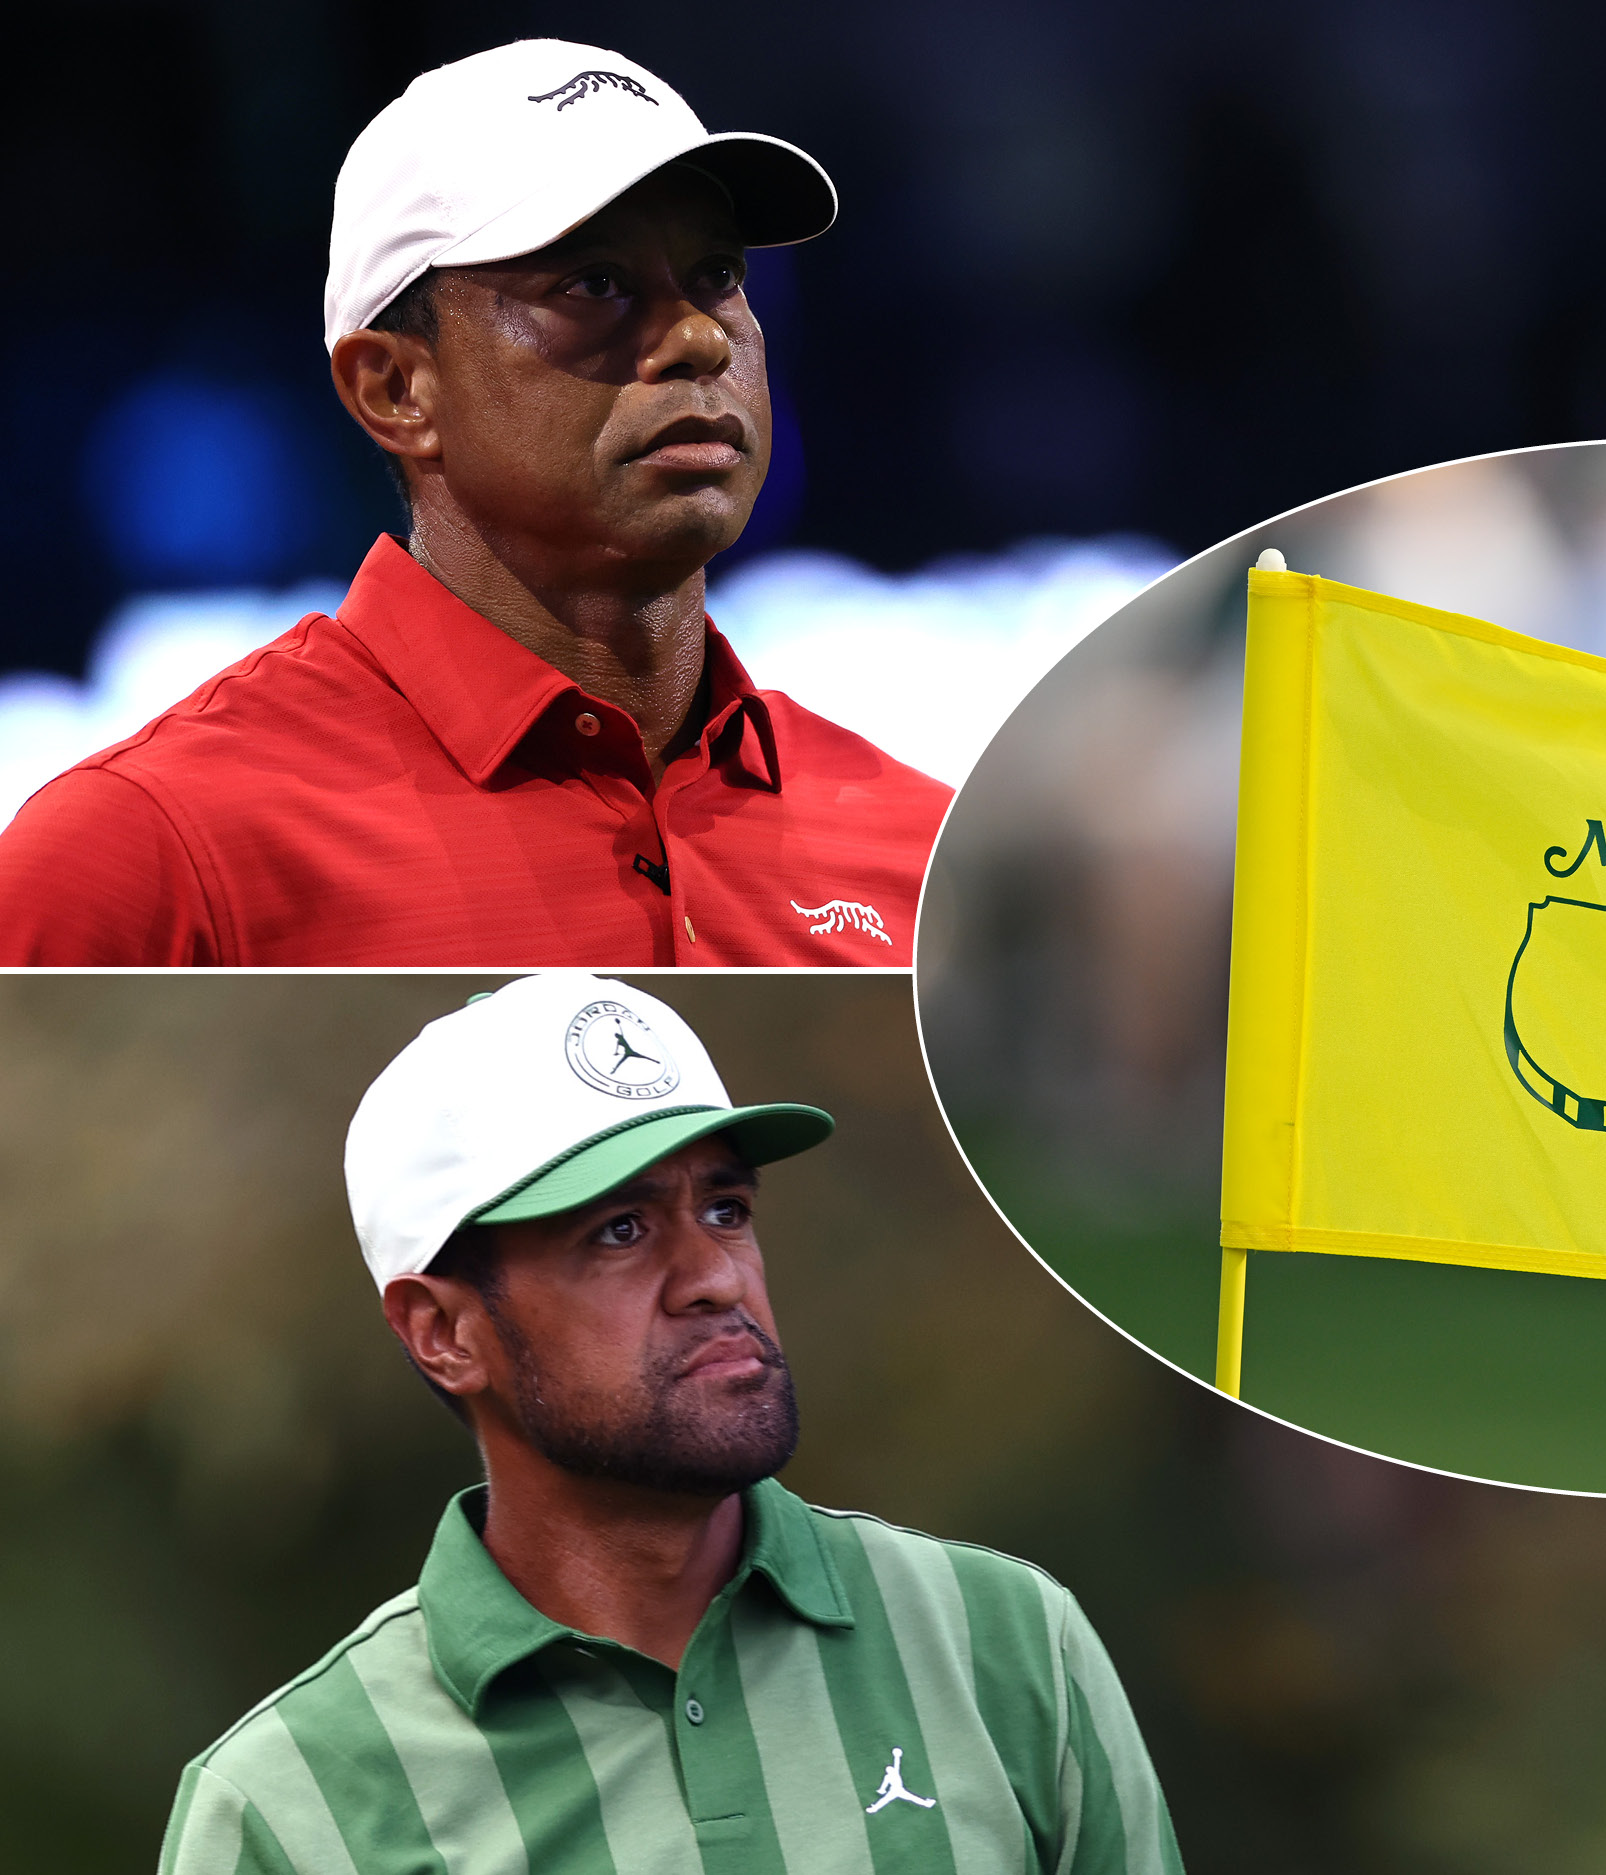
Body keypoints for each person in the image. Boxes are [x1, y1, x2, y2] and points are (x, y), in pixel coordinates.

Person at [159, 975, 1179, 1874]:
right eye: (620, 1230)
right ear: (443, 1333)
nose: (715, 1277)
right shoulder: (288, 1807)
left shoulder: (1002, 1643)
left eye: (727, 1210)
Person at [0, 42, 949, 965]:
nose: (700, 337)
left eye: (717, 275)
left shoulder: (931, 857)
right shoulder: (144, 854)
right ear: (395, 390)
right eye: (595, 283)